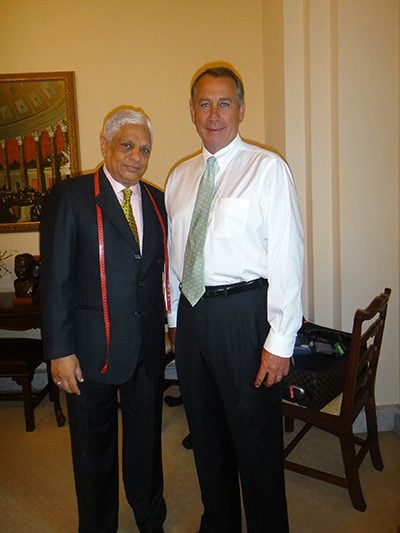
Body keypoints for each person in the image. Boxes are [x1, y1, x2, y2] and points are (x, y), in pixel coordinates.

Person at [165, 65, 304, 532]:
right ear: (191, 111)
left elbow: (287, 257)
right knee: (205, 436)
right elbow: (174, 257)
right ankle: (219, 522)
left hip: (245, 316)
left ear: (241, 109)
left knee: (255, 440)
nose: (214, 114)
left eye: (224, 103)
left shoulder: (267, 169)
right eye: (204, 104)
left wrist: (280, 340)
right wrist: (174, 319)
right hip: (192, 318)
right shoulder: (179, 176)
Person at [40, 107, 167, 533]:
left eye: (144, 150)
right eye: (127, 145)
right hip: (90, 349)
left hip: (146, 348)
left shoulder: (157, 200)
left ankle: (151, 518)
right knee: (93, 450)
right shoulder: (71, 196)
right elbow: (56, 279)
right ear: (105, 144)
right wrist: (60, 351)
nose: (136, 157)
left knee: (146, 444)